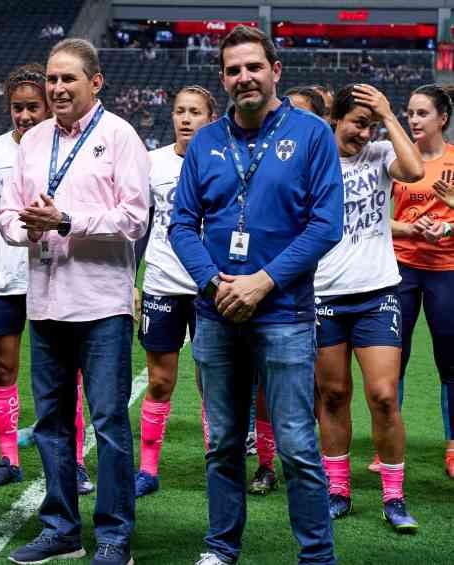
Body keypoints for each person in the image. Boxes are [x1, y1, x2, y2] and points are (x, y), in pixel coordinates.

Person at [169, 26, 342, 565]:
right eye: (233, 69)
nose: (244, 77)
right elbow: (180, 224)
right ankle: (221, 548)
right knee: (222, 443)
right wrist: (212, 281)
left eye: (253, 67)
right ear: (223, 78)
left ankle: (316, 556)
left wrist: (263, 281)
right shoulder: (205, 142)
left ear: (274, 71)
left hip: (284, 314)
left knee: (295, 444)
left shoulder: (312, 134)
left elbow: (324, 225)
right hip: (216, 312)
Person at [0, 39, 149, 565]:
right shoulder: (34, 140)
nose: (57, 88)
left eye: (68, 79)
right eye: (52, 79)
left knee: (108, 423)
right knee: (52, 424)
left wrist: (66, 220)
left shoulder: (120, 136)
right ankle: (61, 526)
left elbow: (135, 220)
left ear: (95, 82)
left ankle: (113, 535)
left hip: (101, 304)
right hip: (44, 302)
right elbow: (6, 212)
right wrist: (23, 225)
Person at [0, 63, 94, 495]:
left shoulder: (66, 149)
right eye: (17, 108)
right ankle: (8, 458)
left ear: (48, 107)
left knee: (66, 374)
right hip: (3, 278)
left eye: (32, 107)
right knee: (4, 370)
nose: (24, 116)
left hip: (53, 275)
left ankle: (75, 461)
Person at [314, 83, 423, 531]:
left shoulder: (380, 154)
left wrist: (389, 118)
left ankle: (394, 497)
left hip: (378, 292)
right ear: (336, 119)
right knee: (334, 395)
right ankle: (337, 490)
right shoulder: (315, 159)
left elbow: (415, 171)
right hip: (323, 294)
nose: (365, 132)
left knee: (383, 396)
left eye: (372, 125)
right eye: (359, 123)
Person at [135, 85, 217, 498]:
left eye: (195, 112)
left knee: (212, 382)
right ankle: (148, 469)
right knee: (160, 380)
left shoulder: (222, 162)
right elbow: (137, 227)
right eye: (181, 111)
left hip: (212, 287)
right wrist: (132, 282)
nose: (186, 119)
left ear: (210, 118)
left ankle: (215, 463)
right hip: (163, 282)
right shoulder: (151, 164)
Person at [393, 84, 454, 479]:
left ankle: (453, 446)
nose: (413, 120)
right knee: (392, 360)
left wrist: (448, 223)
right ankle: (388, 444)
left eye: (422, 114)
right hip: (399, 269)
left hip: (446, 270)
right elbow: (380, 217)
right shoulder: (398, 159)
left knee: (450, 363)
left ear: (442, 119)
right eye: (410, 113)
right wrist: (413, 231)